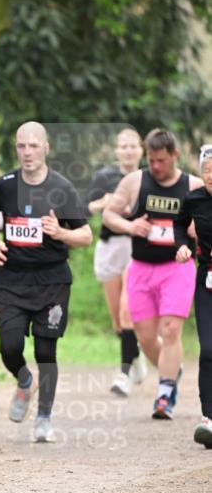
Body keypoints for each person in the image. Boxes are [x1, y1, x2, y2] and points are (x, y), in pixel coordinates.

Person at [0, 122, 92, 442]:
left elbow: (86, 235)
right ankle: (25, 380)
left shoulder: (63, 188)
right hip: (12, 279)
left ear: (46, 148)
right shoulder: (4, 186)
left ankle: (44, 417)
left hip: (52, 282)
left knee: (46, 350)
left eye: (33, 146)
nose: (27, 152)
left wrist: (61, 233)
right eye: (21, 146)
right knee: (9, 348)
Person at [102, 128, 202, 420]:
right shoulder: (135, 182)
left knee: (170, 329)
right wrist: (131, 226)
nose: (155, 165)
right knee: (145, 337)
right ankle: (173, 368)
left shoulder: (193, 186)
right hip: (141, 268)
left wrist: (197, 231)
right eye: (151, 159)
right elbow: (110, 214)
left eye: (161, 160)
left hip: (177, 267)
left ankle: (165, 393)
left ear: (174, 155)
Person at [85, 127, 147, 396]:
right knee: (118, 322)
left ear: (141, 149)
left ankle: (122, 373)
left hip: (138, 247)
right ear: (116, 150)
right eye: (123, 146)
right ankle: (136, 354)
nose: (128, 151)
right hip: (110, 247)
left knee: (127, 311)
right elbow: (82, 208)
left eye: (133, 146)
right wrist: (103, 204)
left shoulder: (148, 177)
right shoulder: (105, 176)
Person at [175, 144, 212, 448]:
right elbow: (178, 224)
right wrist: (181, 245)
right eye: (207, 171)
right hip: (207, 279)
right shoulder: (194, 199)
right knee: (208, 349)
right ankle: (208, 419)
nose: (211, 176)